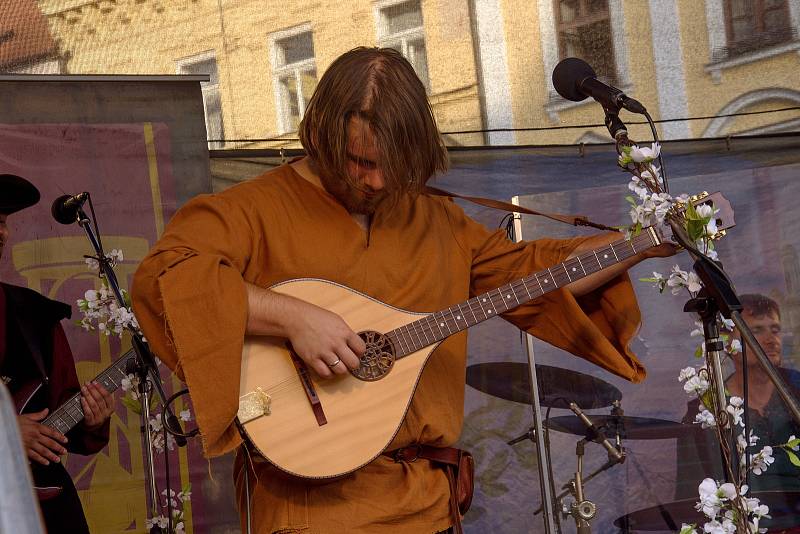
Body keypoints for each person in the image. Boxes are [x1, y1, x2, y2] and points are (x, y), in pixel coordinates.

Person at [131, 47, 674, 534]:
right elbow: (165, 279)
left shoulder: (436, 219)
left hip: (428, 505)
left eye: (392, 166)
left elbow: (535, 275)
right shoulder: (250, 210)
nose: (376, 183)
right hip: (310, 513)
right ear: (319, 129)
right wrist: (292, 317)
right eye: (360, 162)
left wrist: (641, 243)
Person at [0, 173, 115, 534]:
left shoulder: (35, 314)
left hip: (42, 505)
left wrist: (92, 419)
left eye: (2, 223)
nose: (2, 233)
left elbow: (62, 409)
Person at [675, 294, 800, 529]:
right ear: (728, 342)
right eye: (756, 331)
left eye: (775, 330)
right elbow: (688, 496)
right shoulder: (707, 409)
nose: (771, 339)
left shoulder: (797, 388)